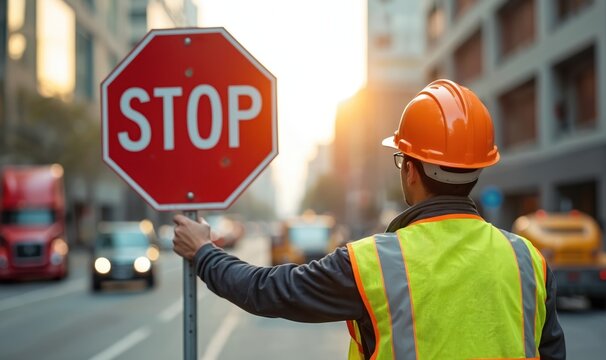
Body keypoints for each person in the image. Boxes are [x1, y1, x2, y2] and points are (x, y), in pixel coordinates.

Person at [173, 79, 566, 359]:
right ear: (478, 169)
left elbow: (267, 290)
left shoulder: (374, 263)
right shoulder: (528, 260)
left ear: (409, 169)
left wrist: (204, 252)